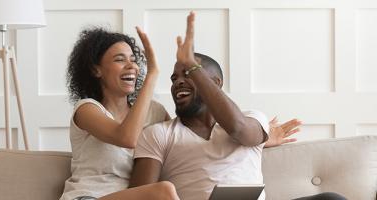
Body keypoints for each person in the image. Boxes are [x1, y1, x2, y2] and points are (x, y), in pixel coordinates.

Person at [129, 11, 346, 200]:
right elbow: (139, 195)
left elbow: (239, 130)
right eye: (174, 78)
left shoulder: (252, 118)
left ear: (215, 83)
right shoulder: (158, 134)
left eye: (188, 73)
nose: (178, 82)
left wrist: (192, 66)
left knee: (331, 199)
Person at [59, 26, 179, 200]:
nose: (132, 66)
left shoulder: (154, 111)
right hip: (87, 196)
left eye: (133, 60)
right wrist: (152, 74)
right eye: (120, 60)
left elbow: (180, 142)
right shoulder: (87, 109)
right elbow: (127, 138)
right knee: (163, 191)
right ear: (96, 70)